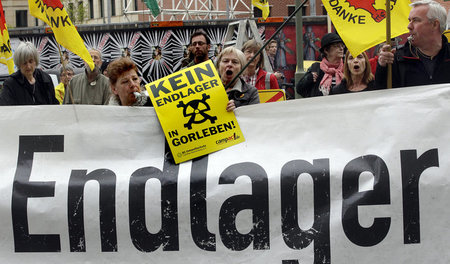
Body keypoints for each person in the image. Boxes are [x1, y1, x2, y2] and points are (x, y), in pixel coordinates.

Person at [376, 0, 450, 88]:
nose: (409, 26)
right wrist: (382, 68)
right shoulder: (398, 59)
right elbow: (382, 95)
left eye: (415, 20)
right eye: (409, 20)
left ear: (434, 24)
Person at [296, 32, 345, 97]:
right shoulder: (316, 68)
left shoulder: (347, 68)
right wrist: (309, 78)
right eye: (337, 46)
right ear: (326, 50)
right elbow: (300, 89)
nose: (341, 48)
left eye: (342, 45)